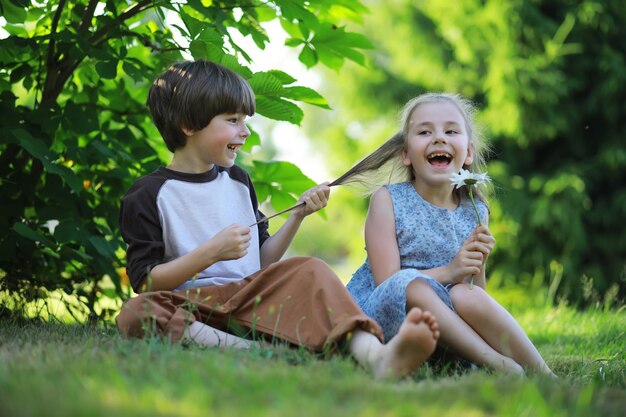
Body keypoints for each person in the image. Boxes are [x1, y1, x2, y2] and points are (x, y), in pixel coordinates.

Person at [115, 60, 440, 380]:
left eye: (245, 121)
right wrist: (210, 253)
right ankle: (249, 349)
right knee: (137, 312)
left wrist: (297, 217)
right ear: (188, 124)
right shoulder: (148, 195)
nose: (244, 132)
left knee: (311, 270)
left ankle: (376, 355)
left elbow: (262, 261)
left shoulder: (239, 181)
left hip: (249, 301)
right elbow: (146, 283)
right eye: (232, 120)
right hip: (193, 308)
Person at [343, 93, 555, 376]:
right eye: (424, 131)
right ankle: (498, 364)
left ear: (468, 153)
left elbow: (474, 292)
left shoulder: (475, 210)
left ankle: (543, 373)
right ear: (406, 153)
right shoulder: (388, 200)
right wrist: (451, 270)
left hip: (449, 332)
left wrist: (475, 262)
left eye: (451, 131)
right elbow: (388, 284)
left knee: (467, 295)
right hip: (390, 319)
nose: (439, 138)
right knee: (412, 284)